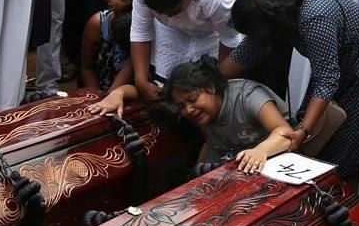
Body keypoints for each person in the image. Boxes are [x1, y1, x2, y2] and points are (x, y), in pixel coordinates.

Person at [223, 0, 359, 174]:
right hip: (339, 66)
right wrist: (214, 79)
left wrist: (303, 131)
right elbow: (247, 50)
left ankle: (344, 196)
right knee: (322, 143)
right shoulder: (274, 10)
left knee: (347, 146)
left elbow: (327, 80)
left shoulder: (314, 17)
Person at [91, 55, 295, 172]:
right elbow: (147, 95)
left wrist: (260, 151)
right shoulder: (189, 106)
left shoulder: (247, 96)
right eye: (181, 106)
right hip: (227, 158)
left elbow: (285, 133)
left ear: (211, 88)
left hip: (275, 160)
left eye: (193, 99)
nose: (188, 110)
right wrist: (118, 93)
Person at [128, 0, 246, 102]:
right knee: (165, 85)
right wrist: (141, 81)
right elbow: (140, 32)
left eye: (174, 11)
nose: (168, 16)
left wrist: (218, 82)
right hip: (169, 32)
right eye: (160, 13)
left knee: (204, 92)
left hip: (214, 32)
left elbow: (230, 41)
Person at [79, 0, 135, 91]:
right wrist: (98, 97)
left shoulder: (147, 26)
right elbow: (86, 68)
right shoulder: (97, 24)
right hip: (99, 89)